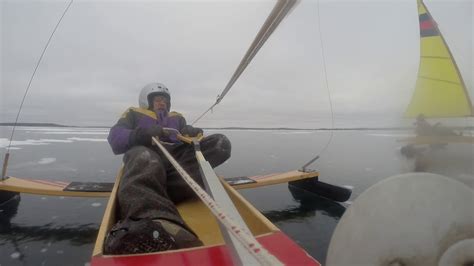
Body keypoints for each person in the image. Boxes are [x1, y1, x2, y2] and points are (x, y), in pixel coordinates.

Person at [104, 82, 231, 254]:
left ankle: (152, 189)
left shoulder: (177, 117)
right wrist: (141, 135)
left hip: (174, 161)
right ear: (146, 101)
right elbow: (115, 138)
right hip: (147, 152)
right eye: (157, 99)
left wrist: (191, 133)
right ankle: (154, 218)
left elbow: (187, 140)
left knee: (219, 144)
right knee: (144, 157)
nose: (162, 103)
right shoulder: (133, 113)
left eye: (164, 100)